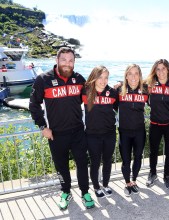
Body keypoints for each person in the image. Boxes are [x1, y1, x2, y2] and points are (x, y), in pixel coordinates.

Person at [29, 47, 95, 210]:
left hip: (78, 132)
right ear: (57, 60)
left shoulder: (79, 79)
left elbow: (90, 99)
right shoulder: (43, 79)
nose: (67, 64)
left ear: (74, 62)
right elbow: (33, 104)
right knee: (61, 166)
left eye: (71, 60)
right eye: (64, 60)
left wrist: (115, 88)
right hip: (56, 134)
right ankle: (65, 192)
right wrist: (43, 126)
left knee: (82, 164)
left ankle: (85, 192)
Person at [82, 66, 118, 198]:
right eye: (100, 77)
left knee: (107, 161)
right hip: (92, 135)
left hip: (109, 133)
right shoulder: (86, 92)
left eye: (106, 77)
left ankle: (106, 185)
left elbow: (120, 107)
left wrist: (120, 83)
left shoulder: (112, 93)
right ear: (94, 77)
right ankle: (96, 187)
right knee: (95, 162)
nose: (103, 81)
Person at [145, 59, 169, 190]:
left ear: (168, 70)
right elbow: (131, 84)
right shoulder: (149, 84)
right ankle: (153, 173)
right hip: (155, 123)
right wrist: (119, 84)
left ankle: (167, 176)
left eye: (163, 68)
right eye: (158, 69)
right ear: (155, 71)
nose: (161, 72)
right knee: (153, 151)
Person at [118, 64, 148, 197]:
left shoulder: (146, 89)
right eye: (130, 73)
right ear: (126, 75)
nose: (133, 76)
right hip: (124, 131)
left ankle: (134, 181)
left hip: (139, 131)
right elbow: (110, 106)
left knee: (137, 158)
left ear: (140, 76)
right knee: (126, 160)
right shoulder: (119, 90)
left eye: (136, 73)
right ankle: (127, 182)